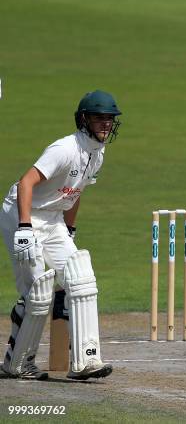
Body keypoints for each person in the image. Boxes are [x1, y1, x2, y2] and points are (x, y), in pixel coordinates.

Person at [0, 90, 122, 380]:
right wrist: (25, 228)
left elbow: (74, 193)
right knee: (38, 294)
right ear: (84, 120)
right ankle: (16, 365)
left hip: (54, 219)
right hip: (22, 214)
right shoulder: (65, 149)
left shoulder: (97, 153)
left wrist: (69, 230)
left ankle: (85, 361)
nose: (106, 124)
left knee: (80, 276)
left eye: (110, 119)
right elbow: (26, 182)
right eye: (99, 118)